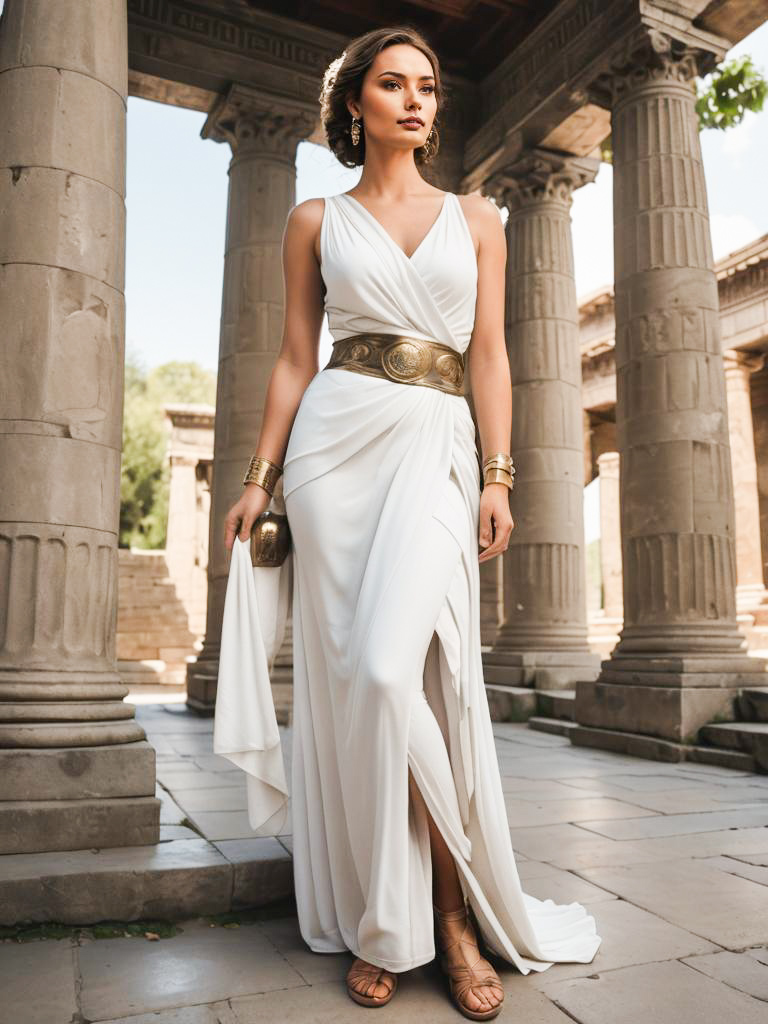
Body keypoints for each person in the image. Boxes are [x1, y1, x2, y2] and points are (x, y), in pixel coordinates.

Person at [221, 25, 602, 1021]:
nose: (416, 100)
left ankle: (453, 915)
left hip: (434, 450)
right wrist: (261, 478)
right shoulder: (313, 219)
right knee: (360, 691)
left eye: (427, 86)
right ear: (355, 104)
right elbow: (297, 359)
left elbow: (489, 357)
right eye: (392, 84)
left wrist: (498, 474)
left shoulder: (478, 217)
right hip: (334, 454)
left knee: (404, 671)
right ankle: (383, 915)